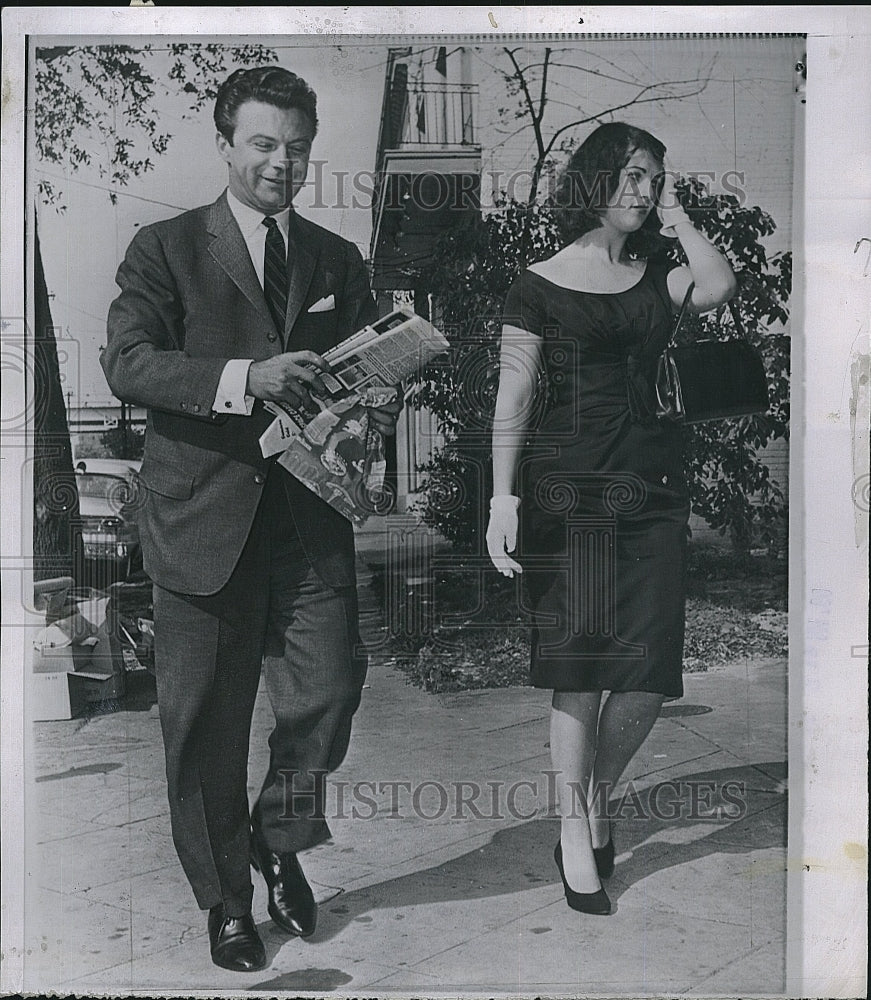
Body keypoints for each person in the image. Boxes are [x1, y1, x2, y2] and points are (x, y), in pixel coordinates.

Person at [101, 66, 401, 971]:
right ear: (226, 144)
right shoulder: (164, 249)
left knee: (329, 693)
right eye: (264, 144)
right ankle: (227, 900)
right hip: (200, 523)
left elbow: (364, 362)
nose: (283, 163)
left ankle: (276, 838)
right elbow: (128, 363)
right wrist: (243, 381)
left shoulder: (334, 257)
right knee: (204, 726)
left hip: (309, 522)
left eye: (298, 147)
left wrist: (375, 407)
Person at [486, 122, 736, 915]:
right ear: (595, 179)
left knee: (649, 675)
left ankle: (597, 791)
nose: (643, 191)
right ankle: (571, 828)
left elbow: (720, 285)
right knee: (581, 669)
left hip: (651, 491)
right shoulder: (536, 283)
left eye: (653, 179)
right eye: (630, 176)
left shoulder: (658, 278)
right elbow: (513, 395)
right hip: (569, 495)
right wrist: (502, 497)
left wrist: (682, 220)